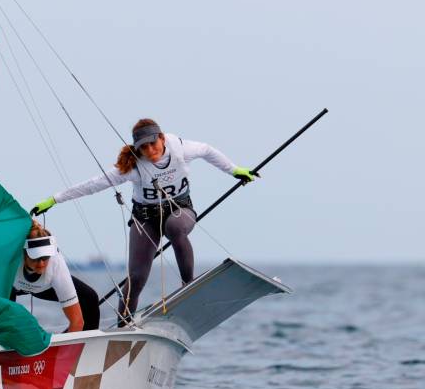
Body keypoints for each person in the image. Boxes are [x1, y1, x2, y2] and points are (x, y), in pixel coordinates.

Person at [31, 118, 257, 322]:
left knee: (175, 228)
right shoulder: (132, 167)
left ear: (161, 138)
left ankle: (189, 286)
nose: (150, 150)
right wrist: (54, 199)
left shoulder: (180, 149)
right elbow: (93, 184)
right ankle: (123, 326)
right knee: (137, 278)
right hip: (144, 218)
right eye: (144, 147)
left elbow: (208, 151)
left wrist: (235, 170)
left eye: (153, 144)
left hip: (180, 209)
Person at [11, 221, 100, 332]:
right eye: (35, 258)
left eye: (45, 257)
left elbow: (77, 322)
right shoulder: (9, 260)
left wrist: (70, 348)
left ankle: (89, 345)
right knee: (4, 319)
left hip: (45, 287)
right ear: (23, 254)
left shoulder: (56, 265)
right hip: (12, 287)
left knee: (90, 298)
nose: (41, 264)